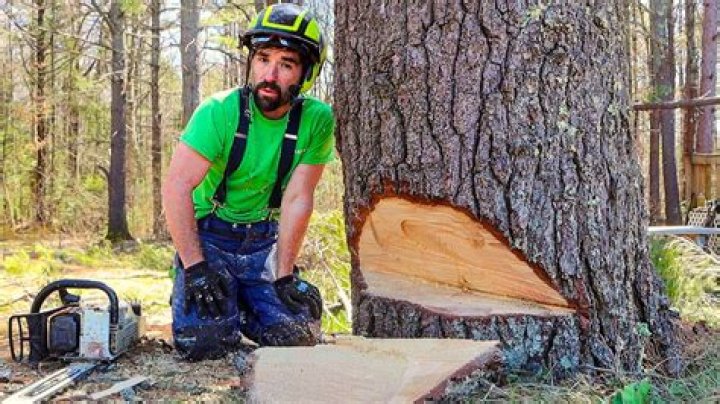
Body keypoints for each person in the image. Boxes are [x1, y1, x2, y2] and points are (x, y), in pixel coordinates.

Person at [161, 3, 334, 360]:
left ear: (306, 74)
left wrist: (284, 275)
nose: (270, 74)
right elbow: (177, 186)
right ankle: (212, 300)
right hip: (210, 237)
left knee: (298, 335)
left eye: (286, 65)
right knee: (205, 344)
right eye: (263, 59)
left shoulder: (317, 121)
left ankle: (243, 302)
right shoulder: (218, 111)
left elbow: (298, 198)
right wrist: (195, 267)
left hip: (262, 243)